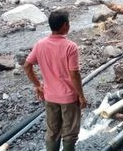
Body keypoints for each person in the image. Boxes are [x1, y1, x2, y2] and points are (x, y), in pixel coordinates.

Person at [24, 10, 87, 151]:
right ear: (65, 25)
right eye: (68, 23)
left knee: (52, 132)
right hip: (69, 98)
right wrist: (81, 96)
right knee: (70, 133)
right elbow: (74, 74)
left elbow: (27, 66)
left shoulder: (40, 44)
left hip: (50, 96)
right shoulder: (70, 47)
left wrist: (38, 85)